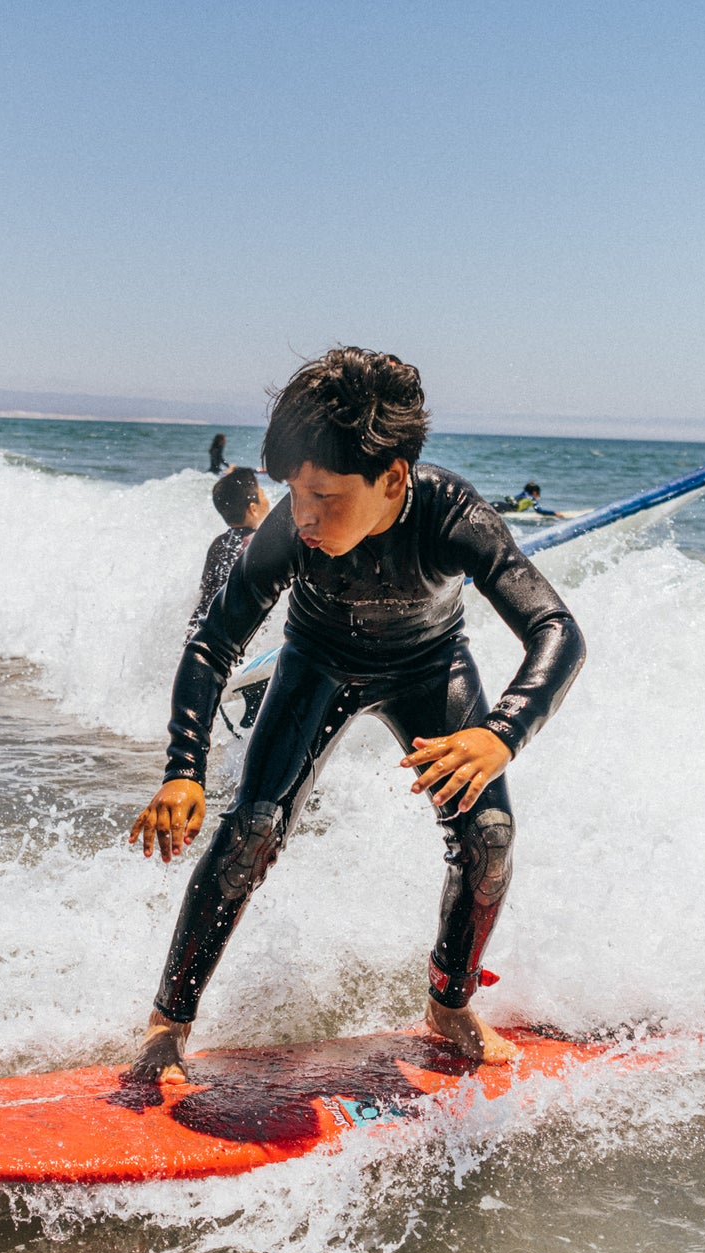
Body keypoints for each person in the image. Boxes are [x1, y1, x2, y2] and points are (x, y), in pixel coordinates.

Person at [127, 347, 586, 1083]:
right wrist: (184, 768)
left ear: (393, 478)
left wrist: (500, 734)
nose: (303, 517)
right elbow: (213, 642)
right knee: (248, 832)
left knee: (491, 836)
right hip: (317, 663)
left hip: (429, 668)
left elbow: (557, 630)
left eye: (325, 497)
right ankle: (167, 1023)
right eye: (293, 494)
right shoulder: (290, 530)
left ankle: (449, 1002)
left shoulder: (453, 516)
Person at [188, 467, 269, 635]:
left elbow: (207, 591)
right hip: (238, 635)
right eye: (263, 494)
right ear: (253, 508)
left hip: (203, 628)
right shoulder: (258, 542)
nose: (267, 499)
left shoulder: (218, 543)